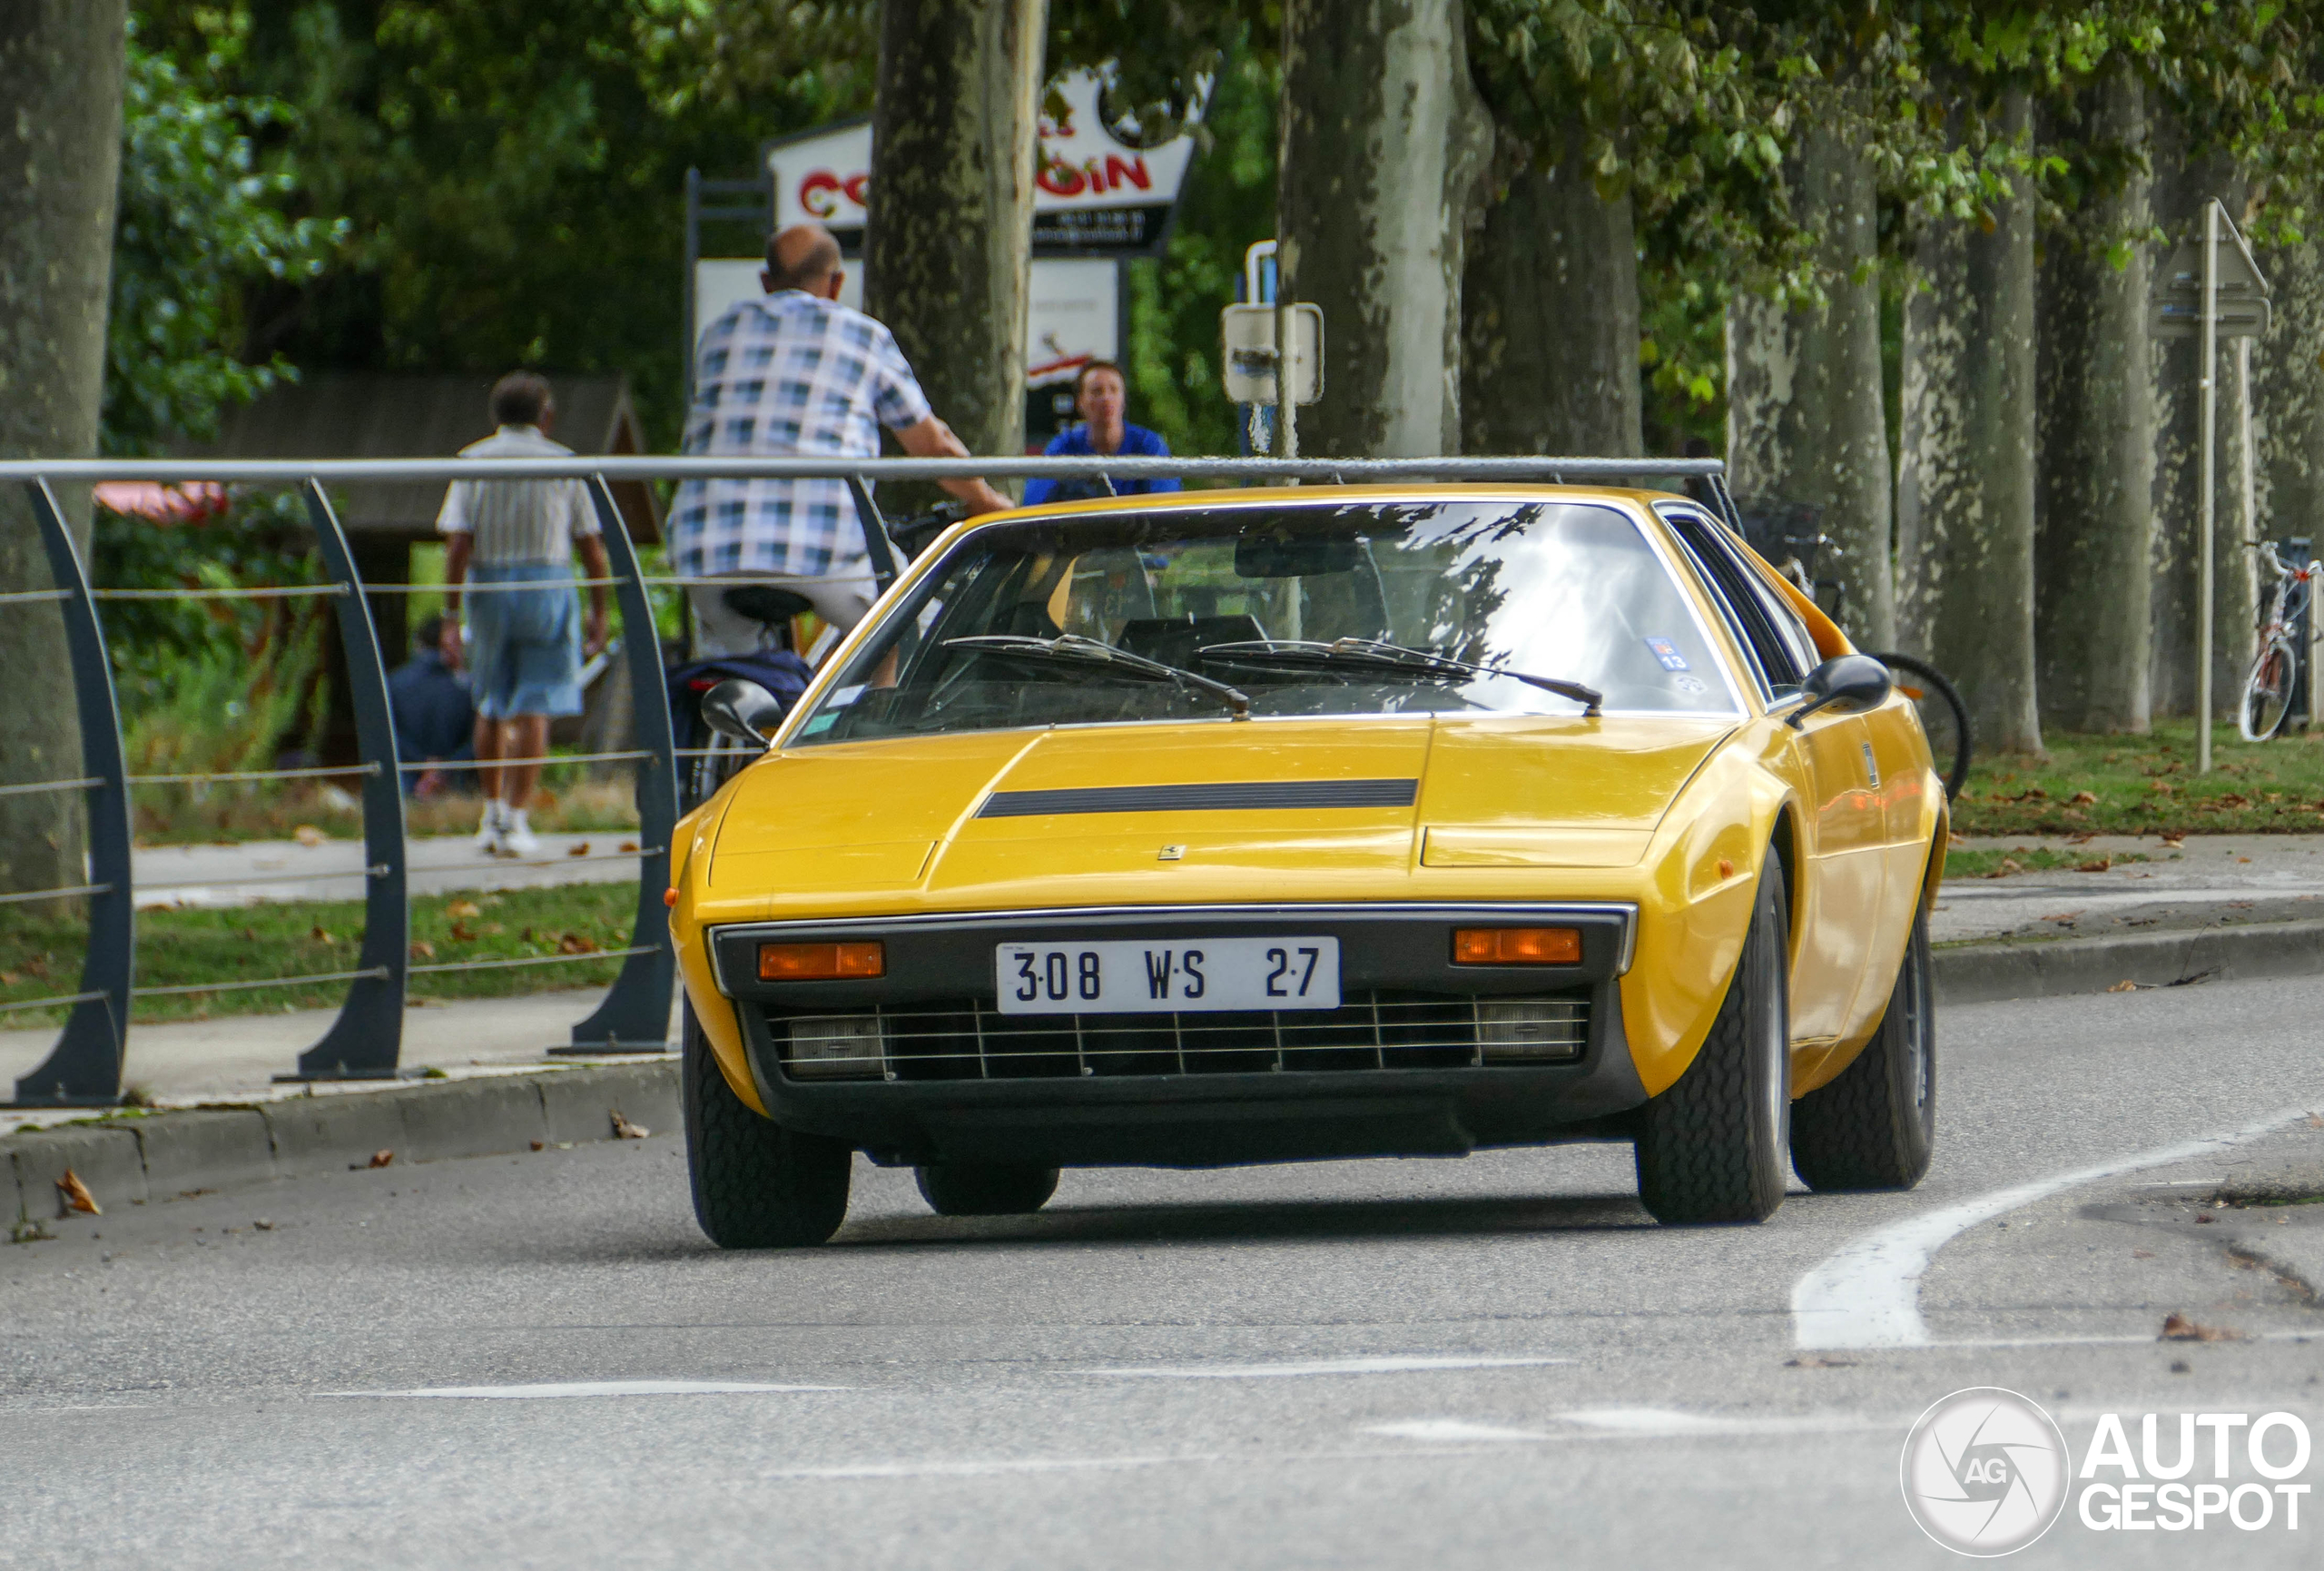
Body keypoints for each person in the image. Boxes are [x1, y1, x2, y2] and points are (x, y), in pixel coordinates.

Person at [672, 222, 1010, 657]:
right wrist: (984, 500)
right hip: (821, 547)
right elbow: (932, 447)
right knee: (915, 635)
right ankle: (875, 718)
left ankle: (735, 716)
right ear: (837, 283)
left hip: (706, 548)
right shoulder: (864, 336)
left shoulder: (719, 334)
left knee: (735, 669)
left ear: (765, 282)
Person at [438, 371, 611, 856]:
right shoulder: (564, 463)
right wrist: (600, 611)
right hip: (548, 586)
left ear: (496, 416)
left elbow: (457, 543)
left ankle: (490, 814)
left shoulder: (472, 460)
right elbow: (592, 548)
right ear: (546, 414)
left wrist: (450, 614)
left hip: (488, 586)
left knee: (490, 702)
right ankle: (517, 818)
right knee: (535, 706)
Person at [1020, 361, 1182, 507]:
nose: (1106, 398)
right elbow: (1033, 505)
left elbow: (1166, 507)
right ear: (1080, 402)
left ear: (1123, 400)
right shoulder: (1063, 446)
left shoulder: (1150, 445)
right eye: (1097, 391)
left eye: (1114, 390)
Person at [387, 613, 476, 799]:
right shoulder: (468, 690)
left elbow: (388, 735)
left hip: (403, 782)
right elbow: (475, 741)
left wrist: (423, 766)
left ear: (419, 642)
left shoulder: (393, 683)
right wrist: (442, 770)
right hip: (454, 787)